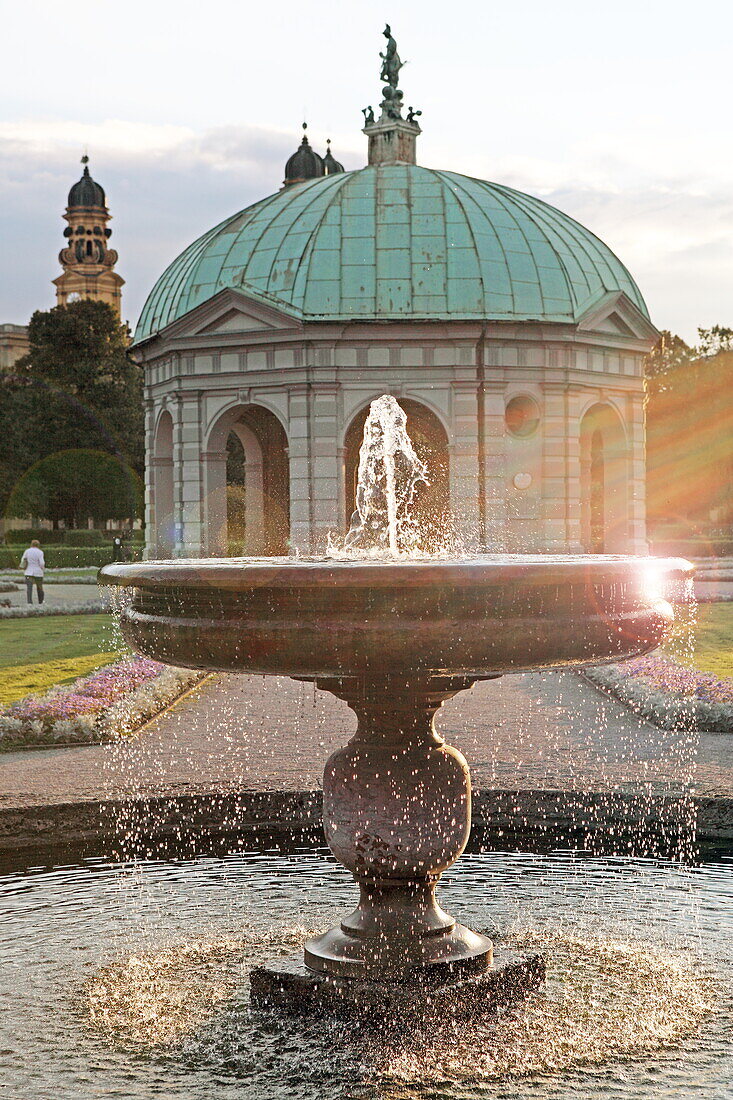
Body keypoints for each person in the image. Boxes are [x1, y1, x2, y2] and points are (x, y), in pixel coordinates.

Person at [20, 539, 45, 605]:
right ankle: (41, 602)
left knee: (29, 588)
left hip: (28, 572)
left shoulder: (27, 551)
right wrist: (43, 568)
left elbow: (23, 560)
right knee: (39, 588)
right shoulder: (40, 552)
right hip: (38, 572)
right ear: (38, 545)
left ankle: (29, 602)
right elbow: (42, 563)